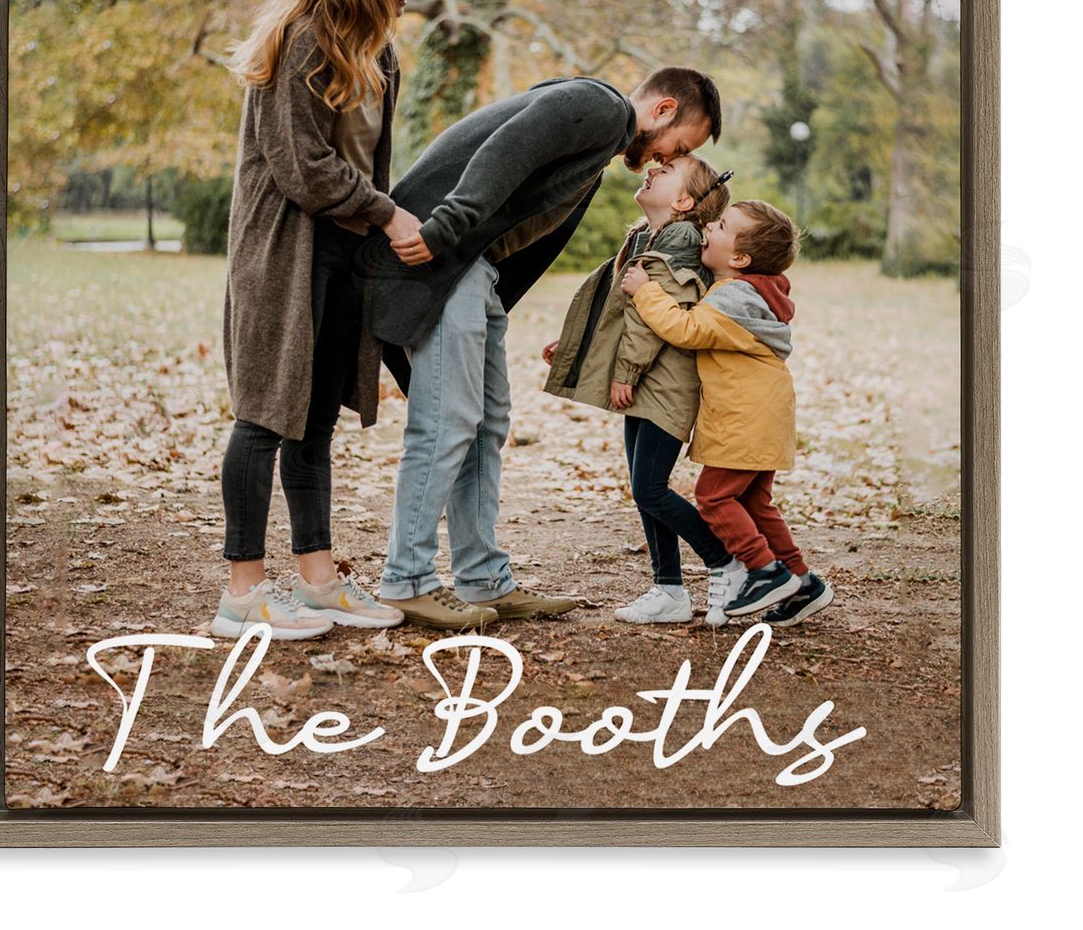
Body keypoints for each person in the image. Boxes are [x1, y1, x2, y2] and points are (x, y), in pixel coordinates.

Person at [356, 66, 723, 629]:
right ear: (665, 110)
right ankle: (407, 579)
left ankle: (483, 579)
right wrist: (443, 229)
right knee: (447, 420)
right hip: (440, 255)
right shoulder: (600, 106)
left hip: (472, 272)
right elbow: (505, 150)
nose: (661, 160)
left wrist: (492, 301)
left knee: (486, 424)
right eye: (679, 146)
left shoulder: (596, 144)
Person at [213, 0, 426, 641]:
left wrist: (376, 224)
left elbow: (368, 162)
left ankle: (318, 577)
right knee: (265, 414)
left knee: (312, 423)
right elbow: (302, 168)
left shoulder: (382, 57)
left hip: (343, 256)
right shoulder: (301, 41)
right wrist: (389, 214)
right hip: (283, 253)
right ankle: (241, 593)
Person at [543, 154, 748, 623]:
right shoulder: (644, 236)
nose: (651, 169)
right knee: (644, 489)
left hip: (666, 382)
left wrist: (627, 372)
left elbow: (653, 317)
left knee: (651, 488)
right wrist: (579, 346)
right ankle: (669, 590)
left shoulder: (680, 241)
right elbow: (619, 309)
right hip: (647, 383)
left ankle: (726, 562)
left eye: (665, 172)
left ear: (682, 201)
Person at [621, 199, 834, 627]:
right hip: (765, 416)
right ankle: (802, 583)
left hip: (745, 418)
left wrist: (645, 290)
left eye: (719, 226)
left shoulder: (733, 297)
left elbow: (685, 329)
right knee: (756, 504)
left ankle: (763, 571)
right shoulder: (751, 292)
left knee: (714, 497)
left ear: (739, 258)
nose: (708, 228)